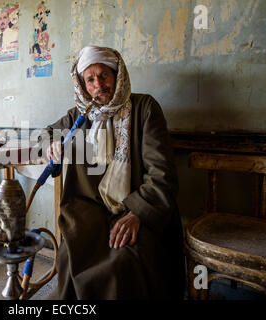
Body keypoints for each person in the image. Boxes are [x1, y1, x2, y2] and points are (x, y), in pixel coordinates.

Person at [44, 45, 185, 299]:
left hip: (137, 213)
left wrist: (137, 214)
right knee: (70, 253)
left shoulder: (145, 108)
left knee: (121, 262)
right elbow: (47, 134)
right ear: (82, 85)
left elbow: (162, 174)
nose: (98, 84)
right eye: (90, 79)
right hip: (91, 214)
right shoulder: (80, 114)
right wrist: (52, 143)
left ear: (117, 75)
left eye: (104, 75)